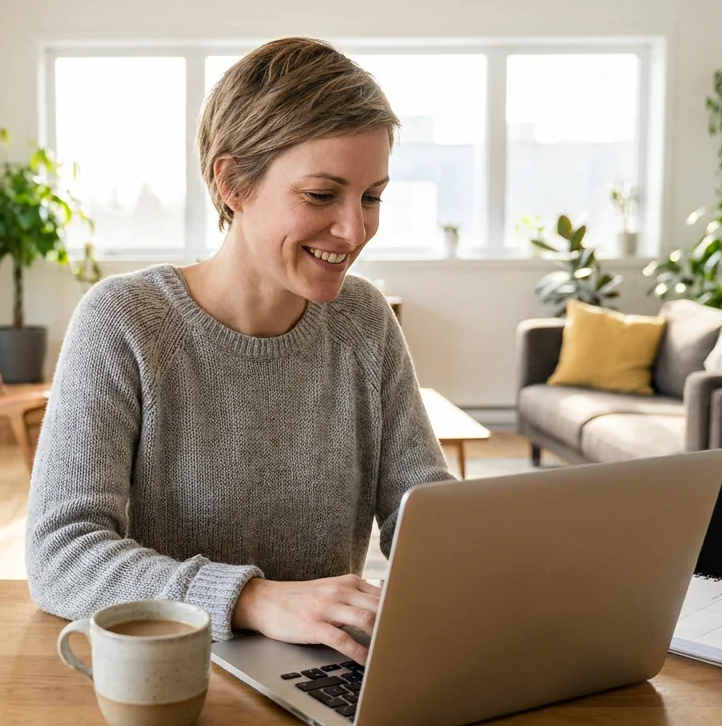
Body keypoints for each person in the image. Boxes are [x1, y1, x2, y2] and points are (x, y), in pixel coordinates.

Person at [26, 37, 456, 663]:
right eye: (320, 195)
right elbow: (61, 556)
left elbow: (420, 507)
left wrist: (499, 557)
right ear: (232, 183)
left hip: (327, 674)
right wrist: (254, 599)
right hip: (172, 674)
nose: (354, 229)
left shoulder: (363, 319)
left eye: (371, 197)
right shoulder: (124, 323)